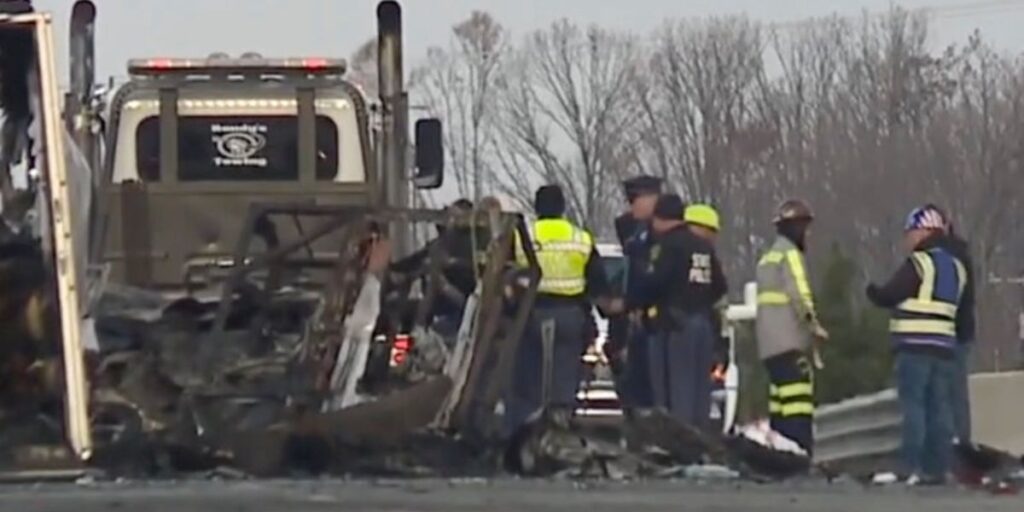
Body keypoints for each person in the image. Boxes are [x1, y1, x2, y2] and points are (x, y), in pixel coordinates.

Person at [866, 206, 967, 486]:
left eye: (910, 232)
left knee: (914, 407)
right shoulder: (957, 268)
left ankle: (909, 466)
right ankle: (937, 468)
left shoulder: (920, 263)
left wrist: (873, 292)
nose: (907, 239)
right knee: (940, 410)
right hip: (944, 348)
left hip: (915, 346)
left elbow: (892, 293)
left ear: (923, 232)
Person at [504, 184, 615, 434]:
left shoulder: (523, 236)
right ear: (563, 208)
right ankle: (559, 431)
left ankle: (523, 434)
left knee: (526, 378)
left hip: (529, 317)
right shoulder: (580, 239)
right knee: (564, 378)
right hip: (569, 316)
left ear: (537, 207)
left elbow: (505, 277)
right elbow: (598, 285)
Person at [630, 194, 727, 429]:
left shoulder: (668, 246)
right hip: (701, 326)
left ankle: (679, 450)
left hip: (674, 328)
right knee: (698, 396)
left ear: (661, 219)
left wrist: (635, 304)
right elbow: (720, 286)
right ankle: (699, 446)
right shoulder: (702, 247)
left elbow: (655, 283)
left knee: (674, 397)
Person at [755, 199, 828, 455]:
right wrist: (813, 325)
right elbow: (799, 294)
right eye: (805, 228)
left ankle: (781, 454)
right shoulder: (790, 256)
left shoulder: (767, 259)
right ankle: (799, 453)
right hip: (790, 342)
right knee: (798, 403)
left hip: (769, 347)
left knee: (780, 405)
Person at [608, 175, 663, 412]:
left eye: (635, 199)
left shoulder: (660, 236)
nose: (631, 206)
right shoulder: (632, 232)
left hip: (654, 323)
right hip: (633, 325)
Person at [932, 207, 976, 444]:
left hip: (953, 332)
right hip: (953, 332)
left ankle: (958, 442)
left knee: (952, 392)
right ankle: (957, 441)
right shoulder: (957, 253)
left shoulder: (951, 255)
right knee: (953, 393)